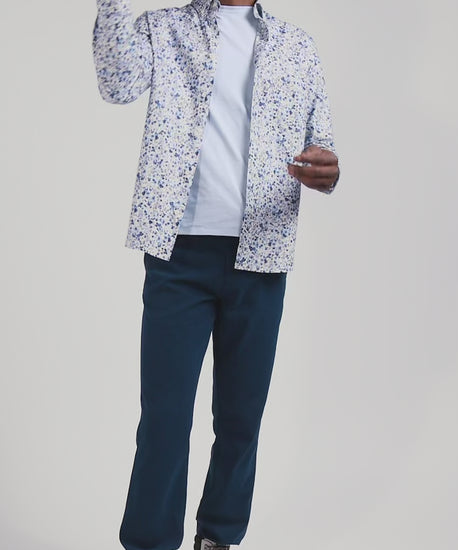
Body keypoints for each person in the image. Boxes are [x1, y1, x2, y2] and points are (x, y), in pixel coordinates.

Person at [92, 0, 340, 548]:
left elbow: (322, 147)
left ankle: (218, 537)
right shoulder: (164, 29)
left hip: (261, 256)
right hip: (179, 255)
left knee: (241, 420)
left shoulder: (298, 47)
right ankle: (150, 542)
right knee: (165, 419)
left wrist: (327, 172)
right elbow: (116, 84)